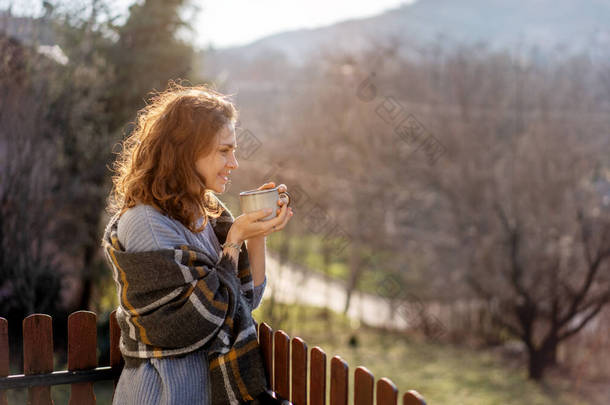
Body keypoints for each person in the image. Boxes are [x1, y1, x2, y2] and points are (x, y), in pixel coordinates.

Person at [102, 83, 293, 405]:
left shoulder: (207, 213)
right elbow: (193, 321)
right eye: (223, 151)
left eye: (234, 151)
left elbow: (245, 299)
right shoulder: (146, 222)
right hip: (164, 393)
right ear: (186, 150)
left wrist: (257, 234)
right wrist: (234, 241)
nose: (234, 163)